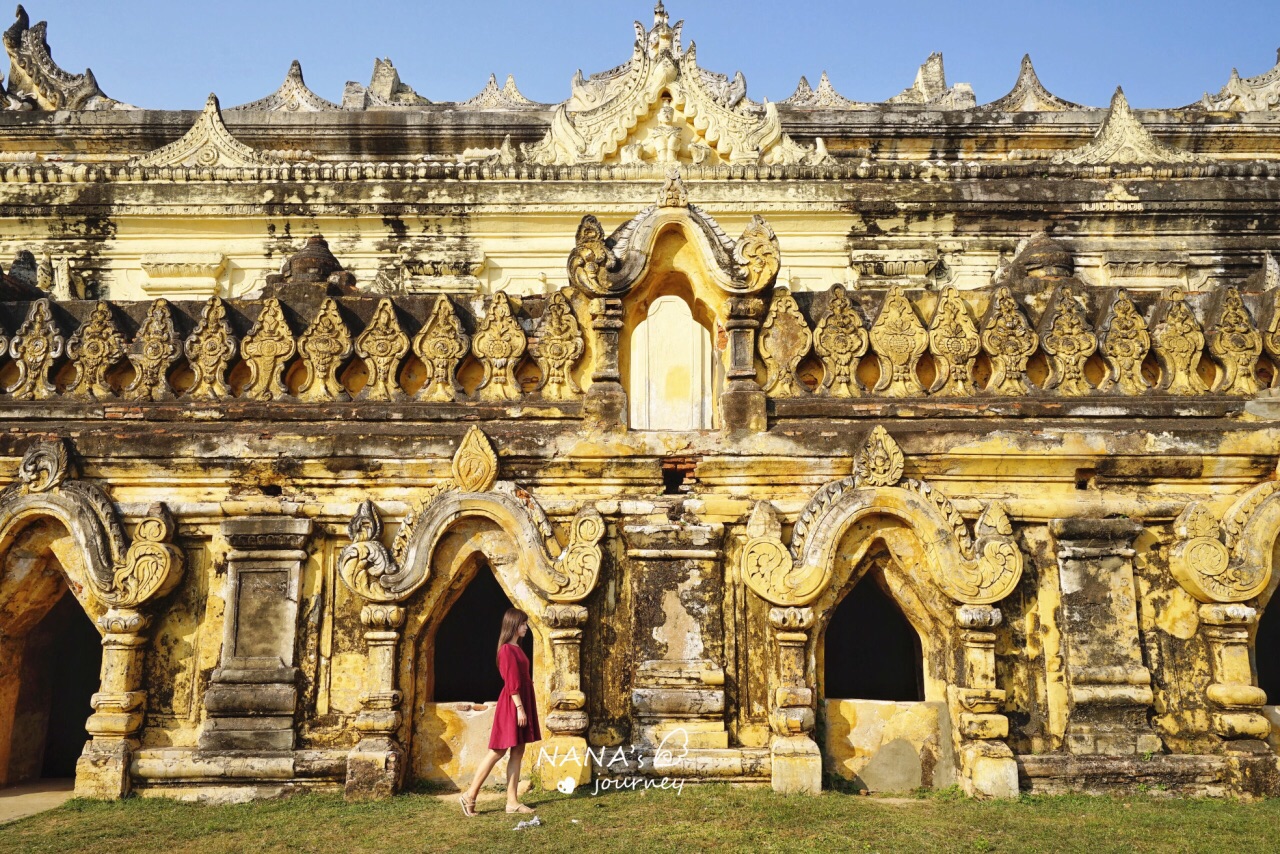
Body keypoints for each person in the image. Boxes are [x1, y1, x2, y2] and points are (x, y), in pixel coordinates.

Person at [460, 607, 541, 816]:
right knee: (498, 751)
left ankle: (512, 802)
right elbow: (512, 682)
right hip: (513, 704)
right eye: (523, 623)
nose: (526, 627)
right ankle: (469, 795)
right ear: (514, 625)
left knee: (518, 751)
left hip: (521, 701)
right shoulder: (506, 649)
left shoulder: (517, 648)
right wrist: (520, 708)